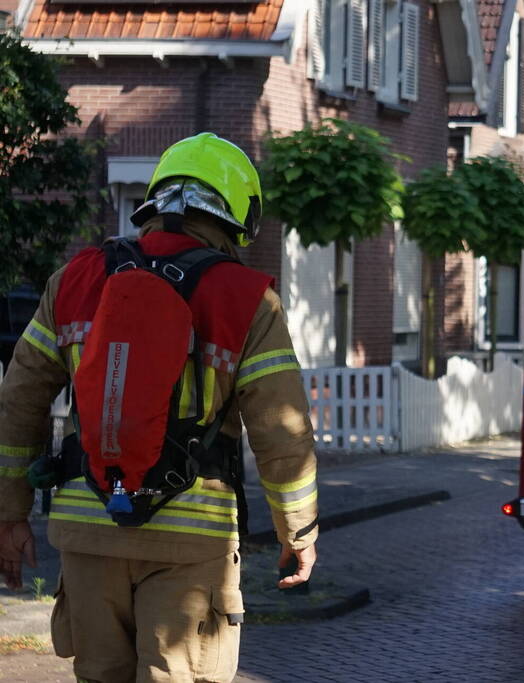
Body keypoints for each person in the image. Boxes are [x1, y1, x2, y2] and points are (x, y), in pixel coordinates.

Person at [0, 133, 319, 682]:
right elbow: (281, 432)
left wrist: (9, 512)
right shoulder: (247, 298)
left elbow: (19, 401)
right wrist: (299, 532)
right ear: (236, 214)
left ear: (155, 200)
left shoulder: (74, 280)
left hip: (87, 527)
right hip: (191, 542)